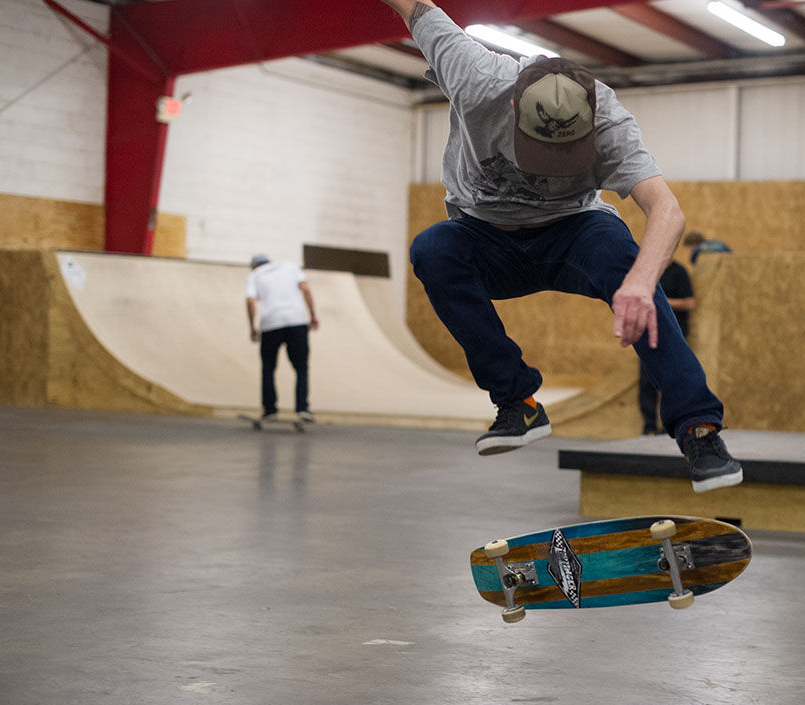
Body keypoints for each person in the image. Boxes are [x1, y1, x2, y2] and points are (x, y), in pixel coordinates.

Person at [380, 0, 742, 493]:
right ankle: (518, 404)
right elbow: (413, 5)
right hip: (487, 238)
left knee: (628, 265)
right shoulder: (474, 73)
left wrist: (638, 283)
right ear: (511, 104)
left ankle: (699, 429)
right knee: (433, 248)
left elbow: (667, 209)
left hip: (575, 232)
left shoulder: (611, 123)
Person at [245, 254, 319, 423]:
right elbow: (306, 289)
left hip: (271, 324)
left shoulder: (254, 275)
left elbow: (250, 301)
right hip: (297, 321)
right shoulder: (291, 267)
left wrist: (252, 327)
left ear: (254, 266)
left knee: (268, 368)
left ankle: (270, 410)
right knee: (301, 368)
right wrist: (313, 315)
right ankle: (303, 408)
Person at [640, 260, 695, 435]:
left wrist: (662, 301)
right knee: (647, 381)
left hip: (672, 333)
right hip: (648, 332)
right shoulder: (647, 270)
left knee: (670, 380)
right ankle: (649, 426)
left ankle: (668, 426)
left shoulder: (678, 272)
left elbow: (689, 303)